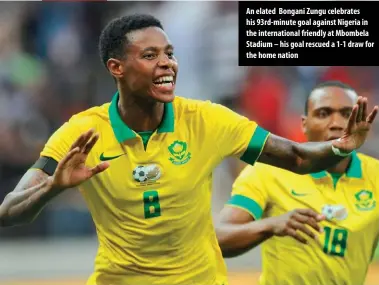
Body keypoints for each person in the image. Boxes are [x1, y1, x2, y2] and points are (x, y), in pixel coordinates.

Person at [0, 14, 377, 285]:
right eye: (150, 56)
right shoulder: (82, 132)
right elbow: (9, 211)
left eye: (169, 53)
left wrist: (342, 148)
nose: (166, 64)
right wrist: (51, 188)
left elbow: (296, 157)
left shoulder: (207, 120)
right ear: (116, 67)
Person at [216, 81, 379, 285]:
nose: (336, 123)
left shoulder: (376, 176)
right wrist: (270, 225)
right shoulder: (269, 171)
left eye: (347, 114)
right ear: (303, 124)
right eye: (323, 113)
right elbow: (219, 238)